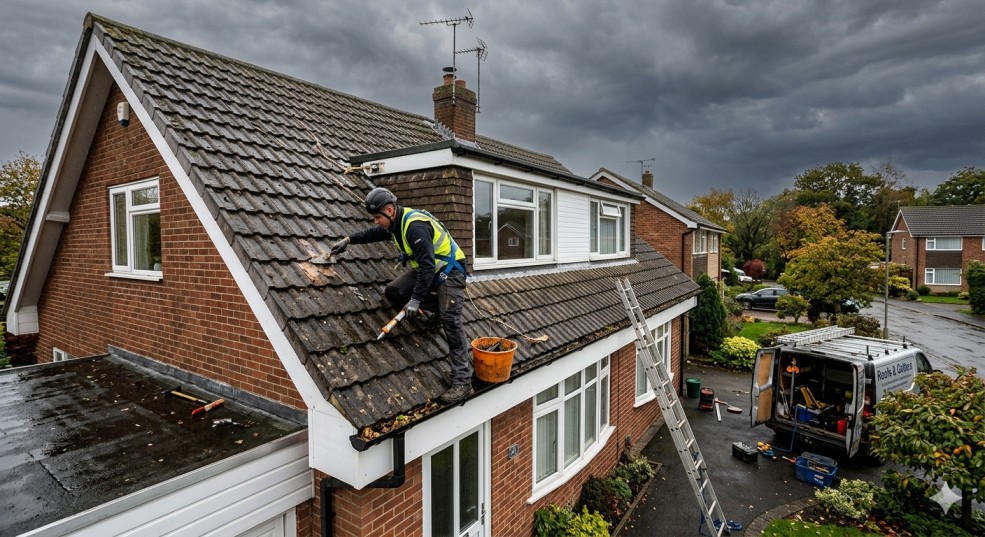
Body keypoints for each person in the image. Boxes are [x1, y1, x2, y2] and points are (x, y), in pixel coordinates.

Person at [328, 187, 472, 404]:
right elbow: (374, 233)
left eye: (377, 217)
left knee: (451, 323)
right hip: (430, 270)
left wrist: (415, 300)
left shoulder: (414, 227)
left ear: (389, 210)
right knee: (394, 292)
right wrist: (349, 240)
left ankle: (463, 382)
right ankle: (436, 311)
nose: (376, 221)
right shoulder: (394, 222)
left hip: (450, 271)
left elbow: (426, 267)